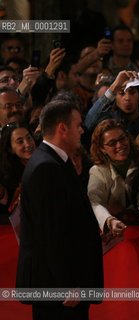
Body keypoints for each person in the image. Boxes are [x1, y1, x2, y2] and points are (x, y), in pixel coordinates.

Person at [16, 100, 103, 319]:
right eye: (78, 125)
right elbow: (49, 233)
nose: (82, 130)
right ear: (63, 128)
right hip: (60, 292)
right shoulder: (46, 167)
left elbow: (67, 219)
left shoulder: (53, 160)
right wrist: (67, 284)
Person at [88, 119, 133, 235]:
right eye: (112, 143)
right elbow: (94, 201)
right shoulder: (98, 171)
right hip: (118, 232)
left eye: (123, 138)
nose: (120, 145)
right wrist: (109, 220)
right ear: (102, 148)